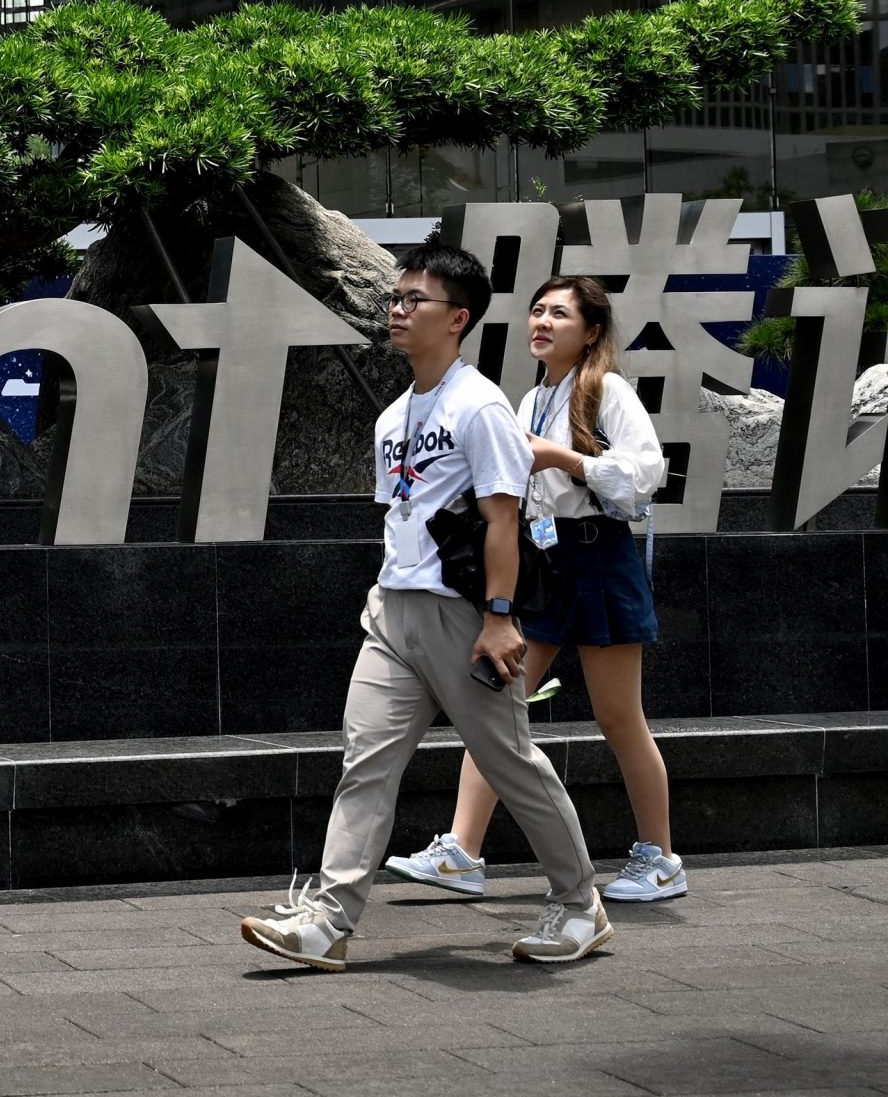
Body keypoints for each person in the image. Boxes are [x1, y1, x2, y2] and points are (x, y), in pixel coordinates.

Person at [242, 240, 610, 970]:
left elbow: (502, 518)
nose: (399, 310)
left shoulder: (481, 408)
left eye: (417, 300)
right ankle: (328, 917)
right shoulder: (392, 417)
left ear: (459, 318)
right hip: (393, 613)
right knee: (365, 761)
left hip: (463, 617)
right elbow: (404, 513)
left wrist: (500, 618)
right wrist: (385, 590)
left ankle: (579, 904)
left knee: (510, 763)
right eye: (397, 298)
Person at [387, 274, 684, 905]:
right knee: (492, 702)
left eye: (560, 315)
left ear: (592, 331)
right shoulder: (527, 400)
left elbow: (645, 474)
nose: (542, 324)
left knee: (618, 718)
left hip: (599, 557)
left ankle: (660, 859)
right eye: (537, 312)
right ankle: (462, 851)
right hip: (545, 562)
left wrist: (563, 458)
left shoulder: (606, 390)